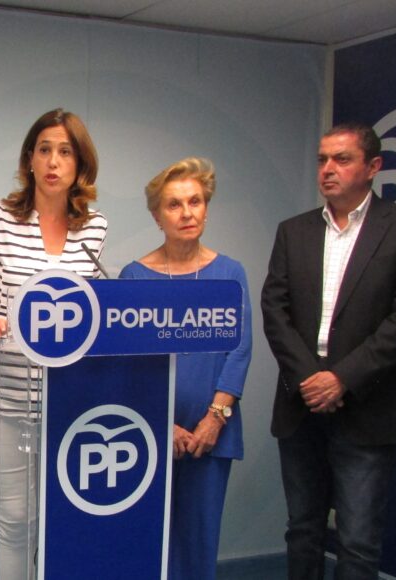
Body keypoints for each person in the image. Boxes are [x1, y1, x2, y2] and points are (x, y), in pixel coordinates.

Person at [261, 123, 396, 579]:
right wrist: (309, 378)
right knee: (302, 530)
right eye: (322, 159)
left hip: (368, 406)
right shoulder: (293, 231)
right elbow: (274, 309)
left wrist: (341, 379)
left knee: (357, 540)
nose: (328, 169)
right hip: (301, 404)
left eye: (342, 159)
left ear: (373, 167)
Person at [0, 109, 107, 580]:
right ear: (29, 160)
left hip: (70, 400)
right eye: (44, 150)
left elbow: (95, 309)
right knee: (17, 519)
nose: (54, 162)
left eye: (65, 152)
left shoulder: (94, 228)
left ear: (80, 164)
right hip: (4, 397)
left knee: (65, 517)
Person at [119, 157, 252, 580]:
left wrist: (215, 418)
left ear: (207, 208)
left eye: (195, 201)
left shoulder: (230, 273)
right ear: (157, 216)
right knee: (146, 541)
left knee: (198, 543)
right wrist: (163, 423)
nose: (187, 213)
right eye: (174, 205)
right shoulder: (134, 277)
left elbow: (240, 349)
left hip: (213, 433)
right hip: (148, 432)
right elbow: (128, 363)